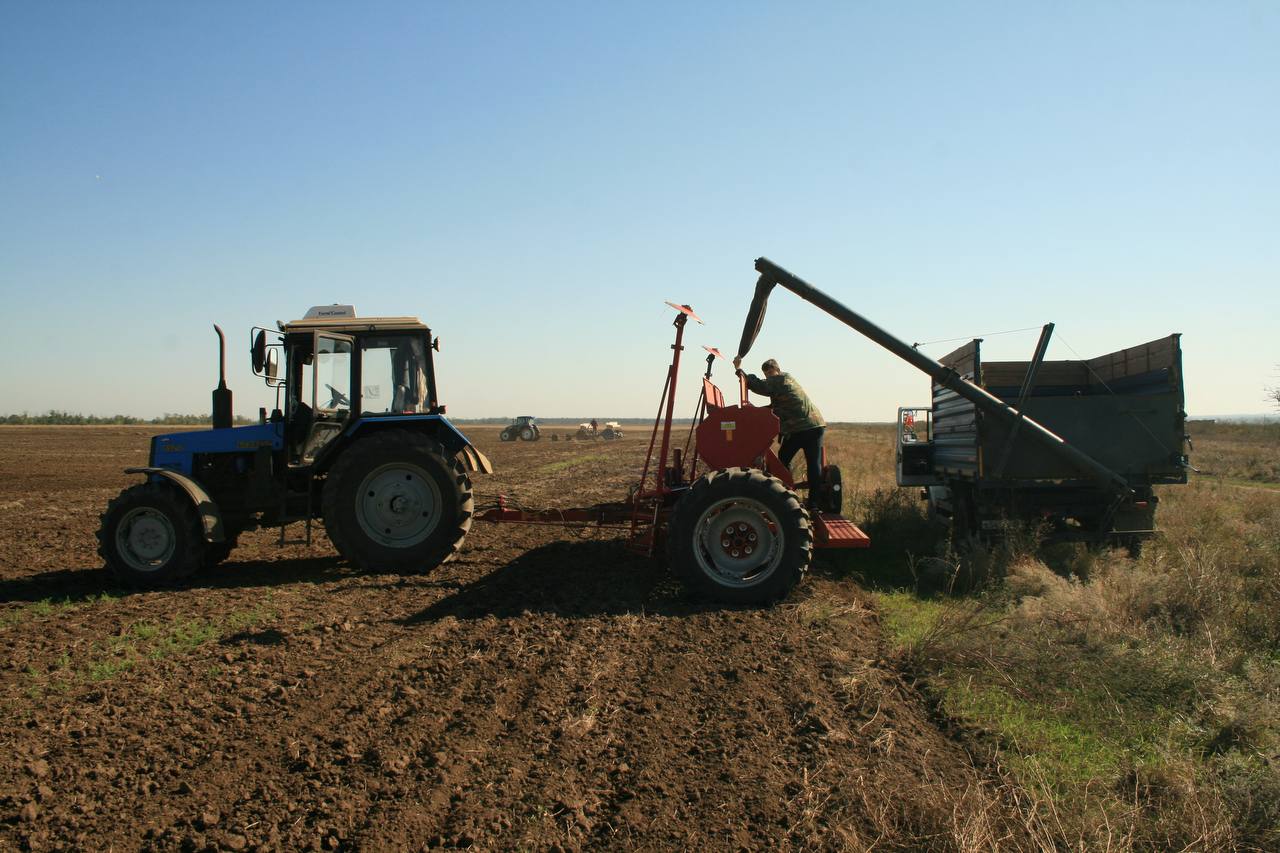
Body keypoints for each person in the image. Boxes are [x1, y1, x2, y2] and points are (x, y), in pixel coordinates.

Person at [733, 357, 827, 508]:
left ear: (777, 370)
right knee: (793, 460)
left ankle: (795, 497)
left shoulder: (781, 379)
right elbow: (775, 407)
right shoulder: (783, 382)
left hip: (806, 428)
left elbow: (757, 386)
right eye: (767, 375)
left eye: (771, 373)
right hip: (810, 426)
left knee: (800, 463)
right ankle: (799, 497)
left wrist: (739, 370)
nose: (769, 377)